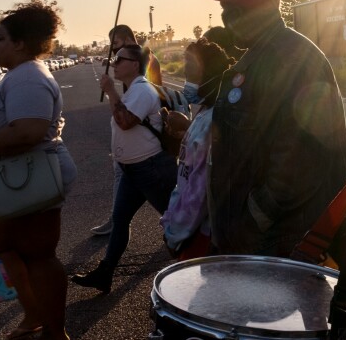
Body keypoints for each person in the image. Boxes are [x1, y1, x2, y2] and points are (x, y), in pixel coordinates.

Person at [200, 0, 346, 256]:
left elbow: (299, 160)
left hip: (278, 243)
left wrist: (253, 220)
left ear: (271, 5)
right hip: (247, 239)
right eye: (225, 6)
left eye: (239, 4)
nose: (228, 15)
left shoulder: (291, 58)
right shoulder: (255, 58)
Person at [0, 2, 77, 340]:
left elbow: (28, 131)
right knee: (13, 247)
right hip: (24, 174)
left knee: (33, 252)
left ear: (20, 43)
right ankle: (39, 316)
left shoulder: (28, 76)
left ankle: (52, 328)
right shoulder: (22, 74)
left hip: (32, 175)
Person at [71, 44, 177, 293]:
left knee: (177, 221)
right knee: (120, 220)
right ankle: (105, 273)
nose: (115, 63)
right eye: (115, 59)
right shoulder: (131, 91)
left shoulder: (141, 89)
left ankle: (197, 265)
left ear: (134, 64)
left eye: (120, 59)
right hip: (134, 170)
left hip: (151, 168)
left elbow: (126, 122)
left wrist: (109, 91)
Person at [90, 25, 171, 236]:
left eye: (115, 44)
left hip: (145, 140)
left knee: (158, 193)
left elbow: (157, 92)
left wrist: (114, 94)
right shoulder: (128, 61)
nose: (113, 52)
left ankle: (180, 226)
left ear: (127, 39)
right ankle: (119, 221)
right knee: (130, 181)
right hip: (132, 135)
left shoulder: (145, 59)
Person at [160, 38, 230, 260]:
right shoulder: (204, 114)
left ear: (210, 76)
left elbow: (198, 193)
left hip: (198, 236)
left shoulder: (211, 123)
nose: (186, 81)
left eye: (190, 72)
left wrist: (174, 234)